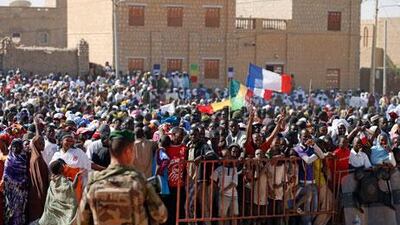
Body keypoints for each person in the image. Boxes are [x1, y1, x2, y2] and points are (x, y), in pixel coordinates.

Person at [79, 130, 168, 225]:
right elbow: (161, 216)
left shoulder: (93, 182)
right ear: (128, 151)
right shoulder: (140, 182)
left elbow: (82, 220)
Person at [38, 159, 81, 225]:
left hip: (52, 205)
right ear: (59, 169)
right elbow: (72, 187)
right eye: (61, 166)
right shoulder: (62, 179)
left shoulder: (53, 180)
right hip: (61, 207)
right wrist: (77, 176)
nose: (63, 166)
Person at [1, 139, 29, 225]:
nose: (16, 148)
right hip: (11, 190)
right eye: (14, 146)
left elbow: (26, 173)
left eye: (19, 146)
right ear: (11, 147)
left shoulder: (24, 158)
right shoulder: (9, 159)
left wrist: (24, 181)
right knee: (10, 209)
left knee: (19, 210)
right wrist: (16, 183)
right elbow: (6, 175)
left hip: (21, 191)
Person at [28, 135, 50, 223]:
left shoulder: (37, 156)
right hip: (39, 192)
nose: (43, 144)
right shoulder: (37, 159)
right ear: (35, 144)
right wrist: (44, 194)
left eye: (43, 142)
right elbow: (39, 179)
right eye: (40, 143)